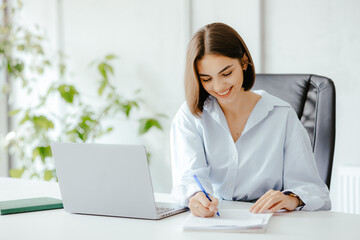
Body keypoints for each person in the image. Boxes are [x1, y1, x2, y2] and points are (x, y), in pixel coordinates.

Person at [170, 22, 331, 218]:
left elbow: (316, 191)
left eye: (226, 73)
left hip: (270, 222)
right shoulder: (190, 115)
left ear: (244, 62)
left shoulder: (282, 116)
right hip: (213, 222)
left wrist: (291, 198)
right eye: (206, 79)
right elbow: (187, 179)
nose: (218, 86)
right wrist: (195, 197)